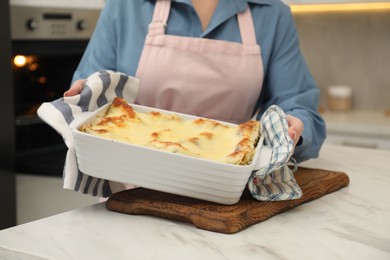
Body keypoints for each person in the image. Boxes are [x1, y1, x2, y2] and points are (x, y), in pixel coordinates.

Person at [65, 0, 326, 163]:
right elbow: (88, 97)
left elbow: (300, 110)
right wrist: (85, 99)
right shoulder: (126, 5)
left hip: (230, 185)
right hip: (129, 188)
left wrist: (291, 133)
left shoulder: (272, 14)